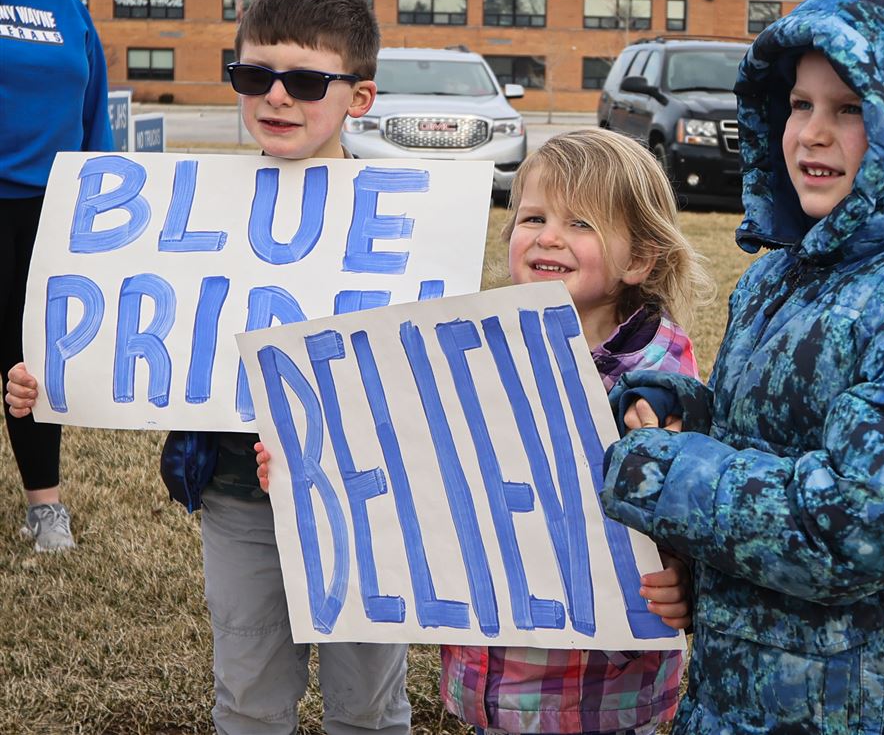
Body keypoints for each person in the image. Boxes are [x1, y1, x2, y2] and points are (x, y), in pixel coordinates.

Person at [601, 0, 884, 735]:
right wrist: (684, 411)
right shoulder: (781, 276)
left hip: (880, 706)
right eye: (799, 104)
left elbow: (849, 527)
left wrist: (663, 471)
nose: (812, 133)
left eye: (851, 109)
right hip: (745, 697)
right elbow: (772, 436)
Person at [7, 0, 411, 734]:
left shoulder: (403, 225)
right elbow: (121, 328)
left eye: (305, 80)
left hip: (365, 501)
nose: (276, 97)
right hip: (234, 491)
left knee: (368, 703)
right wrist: (54, 381)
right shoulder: (185, 210)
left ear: (359, 98)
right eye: (255, 76)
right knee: (249, 694)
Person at [254, 128, 716, 735]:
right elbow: (411, 463)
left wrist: (685, 578)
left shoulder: (659, 374)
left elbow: (689, 507)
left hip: (600, 687)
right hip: (493, 675)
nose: (548, 236)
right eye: (533, 217)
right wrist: (311, 470)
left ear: (639, 258)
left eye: (582, 223)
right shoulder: (470, 348)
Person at [0, 0, 112, 552]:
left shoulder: (64, 4)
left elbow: (93, 108)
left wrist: (103, 192)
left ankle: (45, 507)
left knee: (32, 362)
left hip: (54, 206)